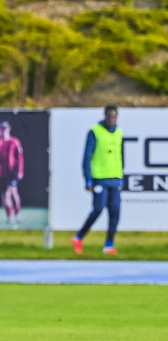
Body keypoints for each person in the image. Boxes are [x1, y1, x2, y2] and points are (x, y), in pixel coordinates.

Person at [72, 105, 123, 256]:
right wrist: (88, 179)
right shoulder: (95, 132)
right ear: (105, 116)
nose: (112, 119)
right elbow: (87, 157)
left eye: (114, 116)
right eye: (110, 116)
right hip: (99, 178)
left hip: (115, 178)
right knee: (98, 209)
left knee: (115, 211)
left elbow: (120, 156)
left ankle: (109, 245)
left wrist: (121, 177)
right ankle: (78, 237)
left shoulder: (119, 132)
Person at [0, 121, 25, 228]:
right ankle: (10, 216)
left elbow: (20, 157)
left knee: (13, 192)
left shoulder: (14, 141)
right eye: (1, 130)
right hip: (2, 173)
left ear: (8, 129)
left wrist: (20, 171)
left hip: (12, 173)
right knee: (5, 195)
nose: (3, 132)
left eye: (5, 129)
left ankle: (17, 213)